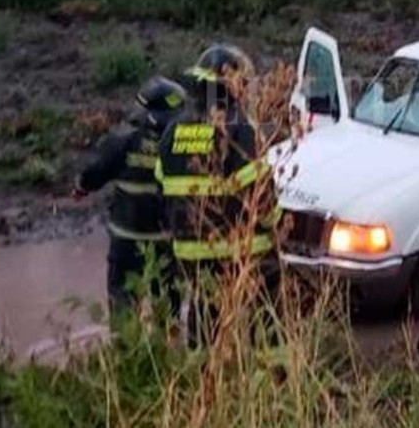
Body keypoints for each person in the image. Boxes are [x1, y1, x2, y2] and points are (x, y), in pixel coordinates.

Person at [155, 44, 277, 333]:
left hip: (189, 253)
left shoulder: (173, 130)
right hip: (238, 252)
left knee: (204, 314)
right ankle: (273, 371)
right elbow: (264, 200)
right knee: (266, 316)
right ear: (232, 87)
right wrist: (280, 229)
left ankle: (206, 369)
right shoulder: (241, 131)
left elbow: (161, 192)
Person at [73, 76, 187, 315]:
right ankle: (166, 349)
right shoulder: (181, 146)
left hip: (126, 241)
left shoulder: (123, 140)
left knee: (123, 306)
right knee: (167, 309)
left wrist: (81, 187)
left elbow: (95, 173)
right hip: (165, 242)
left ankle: (126, 350)